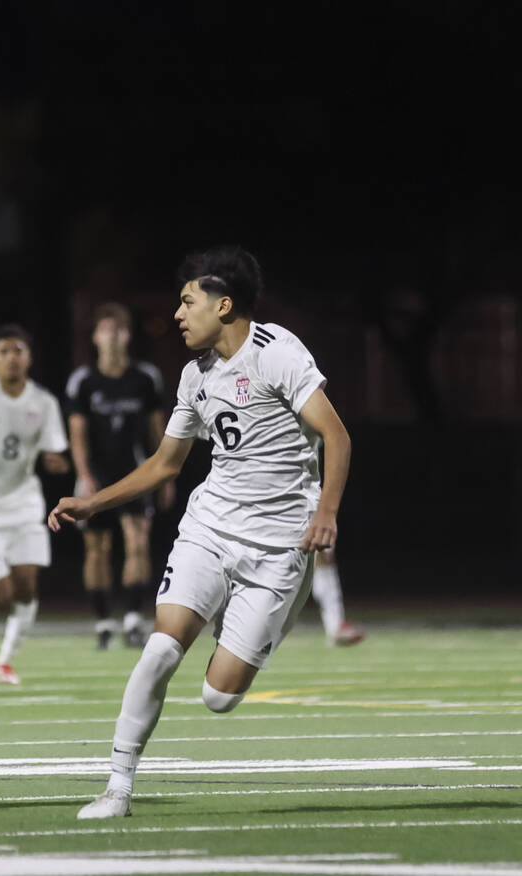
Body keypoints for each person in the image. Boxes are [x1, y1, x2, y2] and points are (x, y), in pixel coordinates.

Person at [49, 246, 351, 819]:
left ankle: (272, 610)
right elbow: (165, 464)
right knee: (160, 649)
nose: (179, 314)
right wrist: (93, 503)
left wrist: (326, 512)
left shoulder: (278, 353)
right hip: (209, 527)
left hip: (278, 545)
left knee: (217, 697)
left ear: (225, 304)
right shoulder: (194, 375)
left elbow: (337, 437)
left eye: (188, 302)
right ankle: (117, 787)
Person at [0, 324, 70, 684]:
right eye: (3, 351)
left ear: (29, 358)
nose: (11, 358)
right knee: (3, 598)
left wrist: (56, 461)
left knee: (26, 588)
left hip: (24, 503)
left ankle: (5, 661)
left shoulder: (44, 402)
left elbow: (54, 450)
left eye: (18, 350)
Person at [65, 302, 173, 650]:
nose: (112, 336)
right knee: (97, 548)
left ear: (128, 335)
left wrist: (165, 475)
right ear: (95, 337)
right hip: (96, 473)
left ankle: (132, 620)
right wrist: (83, 475)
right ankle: (102, 623)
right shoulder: (83, 380)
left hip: (136, 472)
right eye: (106, 330)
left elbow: (159, 432)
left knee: (137, 541)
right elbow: (77, 433)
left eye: (119, 329)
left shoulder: (145, 378)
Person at [312, 548, 366, 645]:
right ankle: (336, 633)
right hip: (322, 574)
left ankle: (336, 630)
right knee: (330, 603)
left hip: (324, 573)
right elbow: (321, 553)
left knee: (332, 604)